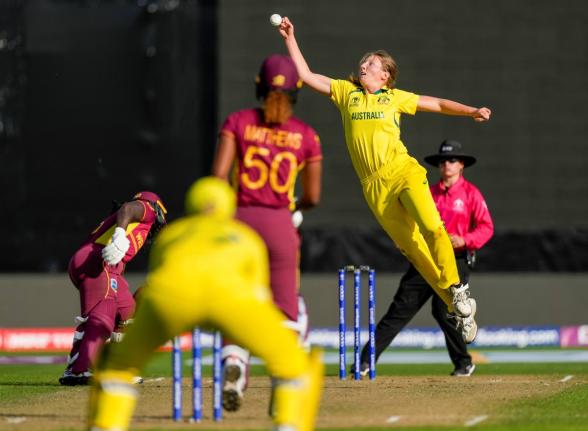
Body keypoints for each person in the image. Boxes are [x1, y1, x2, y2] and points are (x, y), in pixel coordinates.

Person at [275, 17, 492, 352]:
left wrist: (470, 111)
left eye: (371, 63)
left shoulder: (393, 97)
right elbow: (306, 76)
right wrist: (291, 39)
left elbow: (434, 103)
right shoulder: (347, 93)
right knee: (414, 251)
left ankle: (456, 289)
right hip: (374, 187)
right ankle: (456, 305)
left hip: (402, 170)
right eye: (363, 62)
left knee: (432, 227)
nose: (363, 65)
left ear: (385, 74)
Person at [86, 176, 324, 431]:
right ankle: (288, 424)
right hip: (232, 300)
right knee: (294, 363)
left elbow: (156, 280)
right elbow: (258, 292)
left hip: (172, 299)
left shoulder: (173, 236)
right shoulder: (245, 236)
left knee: (118, 365)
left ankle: (106, 425)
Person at [211, 54, 322, 411]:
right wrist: (295, 208)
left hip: (239, 223)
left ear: (259, 85)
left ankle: (234, 364)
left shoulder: (238, 122)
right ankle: (282, 378)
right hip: (279, 224)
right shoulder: (305, 135)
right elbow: (313, 197)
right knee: (286, 310)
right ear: (297, 91)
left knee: (236, 300)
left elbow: (217, 180)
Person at [358, 139, 494, 377]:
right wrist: (403, 237)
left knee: (445, 310)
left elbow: (486, 227)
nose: (446, 165)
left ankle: (463, 362)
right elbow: (409, 222)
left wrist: (464, 240)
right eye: (442, 161)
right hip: (424, 259)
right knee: (399, 310)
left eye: (452, 160)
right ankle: (365, 361)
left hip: (455, 261)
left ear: (461, 164)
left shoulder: (471, 194)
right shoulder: (426, 192)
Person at [58, 191, 167, 386]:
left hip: (105, 266)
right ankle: (81, 369)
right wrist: (119, 236)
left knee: (126, 310)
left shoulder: (133, 221)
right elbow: (127, 207)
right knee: (103, 314)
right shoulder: (147, 208)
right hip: (97, 261)